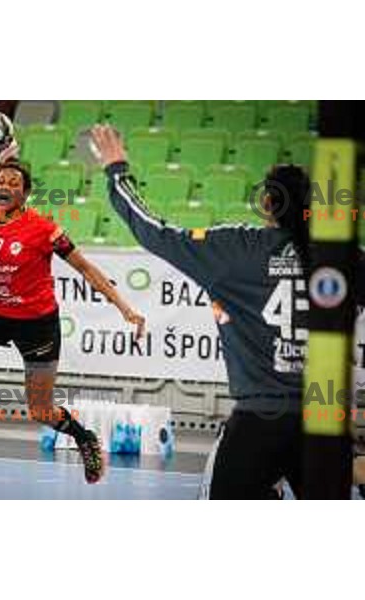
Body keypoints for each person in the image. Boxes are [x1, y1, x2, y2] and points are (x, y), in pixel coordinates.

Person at [90, 124, 322, 499]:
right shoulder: (339, 259)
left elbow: (153, 230)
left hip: (259, 418)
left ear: (266, 203)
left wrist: (117, 171)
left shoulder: (235, 249)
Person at [0, 144, 146, 484]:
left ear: (25, 194)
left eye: (15, 182)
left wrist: (125, 308)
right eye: (2, 180)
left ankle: (83, 437)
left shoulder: (44, 229)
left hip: (38, 323)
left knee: (39, 410)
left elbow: (86, 268)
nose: (6, 185)